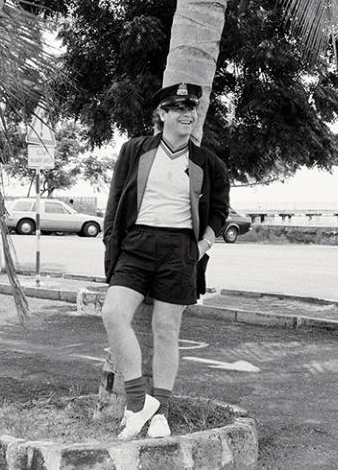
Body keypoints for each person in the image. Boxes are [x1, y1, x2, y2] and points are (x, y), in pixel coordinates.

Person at [100, 82, 230, 440]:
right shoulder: (135, 150)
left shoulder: (208, 163)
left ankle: (160, 414)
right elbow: (115, 201)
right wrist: (112, 242)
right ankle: (138, 402)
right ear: (162, 114)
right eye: (178, 108)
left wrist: (202, 245)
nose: (187, 114)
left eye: (192, 109)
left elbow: (219, 212)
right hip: (137, 243)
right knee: (113, 313)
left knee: (166, 329)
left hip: (180, 249)